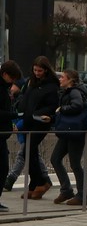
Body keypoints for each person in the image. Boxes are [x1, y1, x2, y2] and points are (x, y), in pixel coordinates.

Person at [18, 56, 59, 200]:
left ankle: (41, 181)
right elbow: (26, 99)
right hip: (29, 120)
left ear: (46, 70)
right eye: (35, 70)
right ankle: (36, 182)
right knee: (30, 152)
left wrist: (40, 113)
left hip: (40, 121)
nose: (37, 73)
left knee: (28, 151)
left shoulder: (52, 86)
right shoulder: (32, 82)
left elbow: (52, 105)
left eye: (40, 70)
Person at [3, 64, 48, 192]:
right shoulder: (19, 94)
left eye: (14, 85)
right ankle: (45, 178)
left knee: (24, 152)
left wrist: (17, 123)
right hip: (20, 124)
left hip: (25, 125)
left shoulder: (26, 92)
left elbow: (27, 113)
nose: (12, 87)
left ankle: (11, 179)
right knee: (31, 152)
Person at [49, 69, 87, 205]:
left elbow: (77, 106)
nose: (60, 79)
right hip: (68, 131)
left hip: (75, 132)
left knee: (75, 163)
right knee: (55, 159)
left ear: (70, 80)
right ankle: (66, 190)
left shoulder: (75, 92)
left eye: (62, 77)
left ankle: (82, 195)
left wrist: (62, 109)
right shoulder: (68, 92)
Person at [0, 60, 22, 211]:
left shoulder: (5, 88)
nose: (13, 82)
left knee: (3, 168)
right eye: (12, 78)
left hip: (3, 134)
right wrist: (13, 115)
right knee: (2, 167)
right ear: (5, 74)